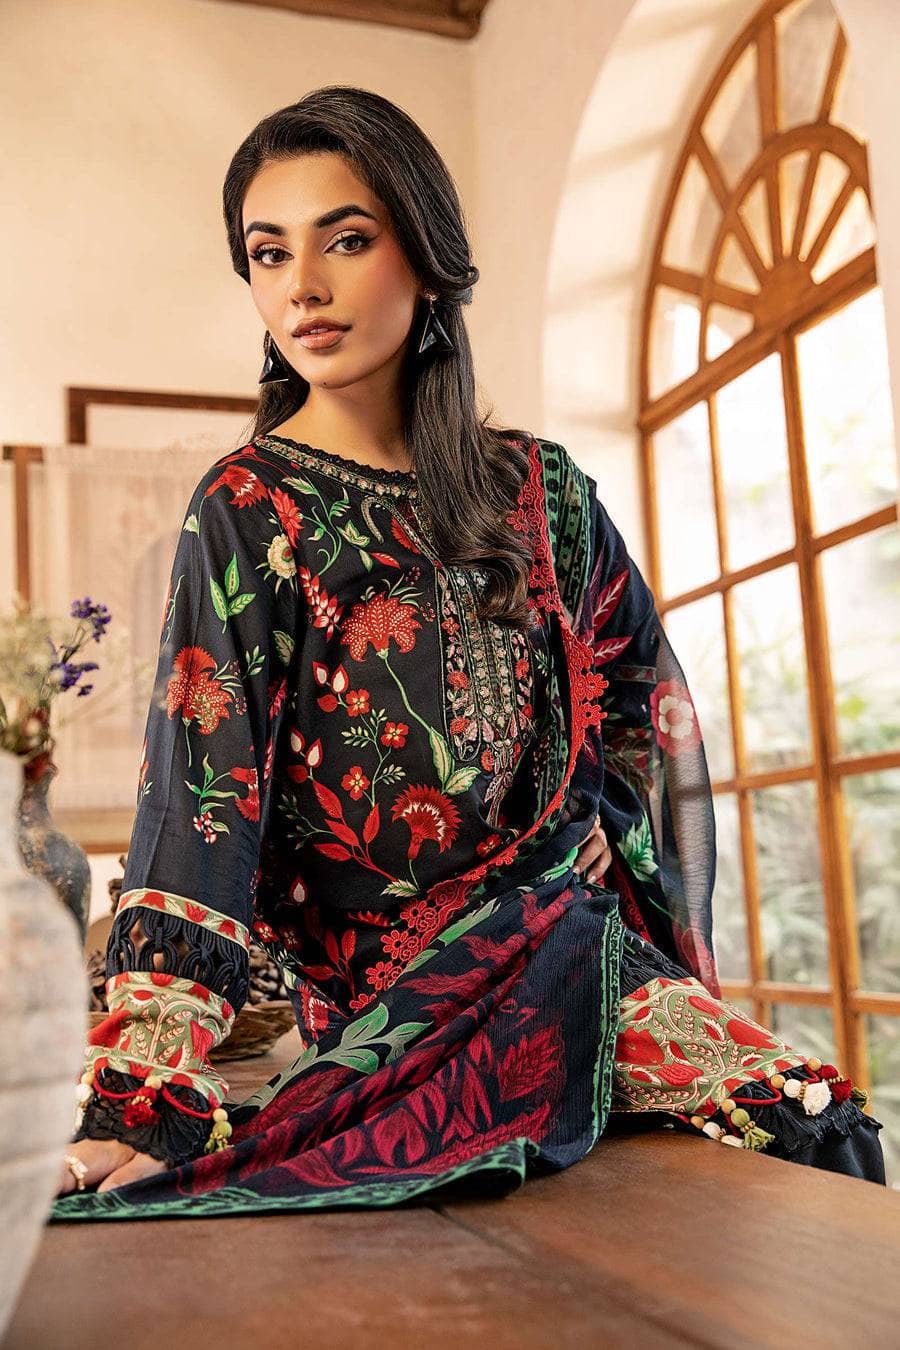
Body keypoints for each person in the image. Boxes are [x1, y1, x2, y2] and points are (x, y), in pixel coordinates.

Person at [52, 86, 884, 1219]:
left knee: (805, 1123)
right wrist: (145, 1091)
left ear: (428, 258)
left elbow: (645, 704)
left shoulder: (541, 495)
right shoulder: (251, 509)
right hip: (392, 1001)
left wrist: (602, 817)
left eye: (347, 239)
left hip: (570, 954)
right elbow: (201, 804)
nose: (303, 286)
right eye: (268, 251)